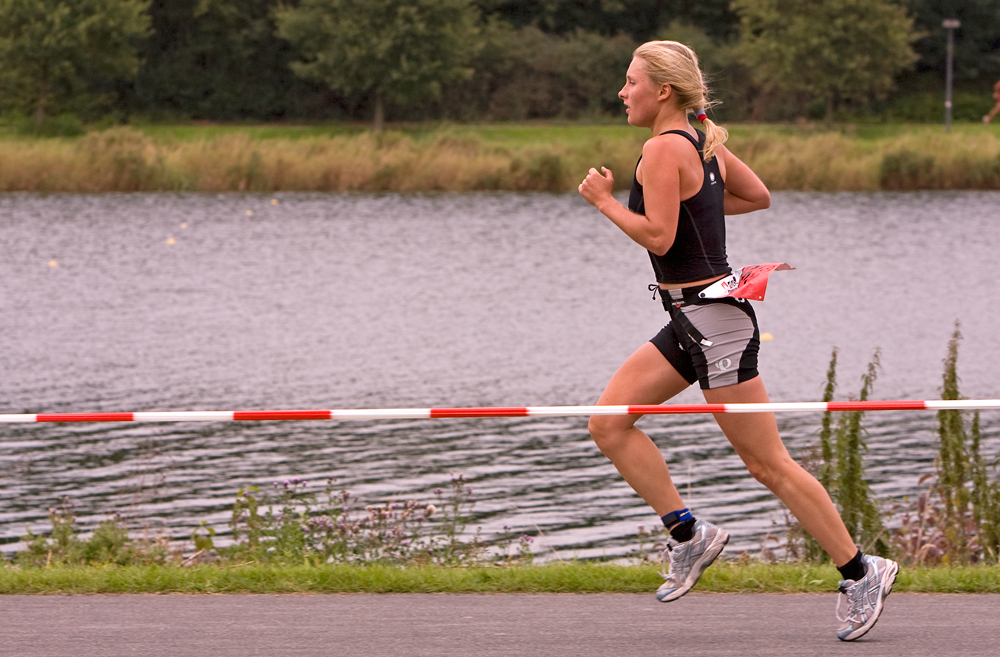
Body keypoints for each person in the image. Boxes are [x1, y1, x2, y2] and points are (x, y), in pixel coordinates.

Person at [577, 40, 898, 642]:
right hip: (692, 320)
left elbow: (659, 237)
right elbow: (756, 196)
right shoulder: (703, 144)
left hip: (716, 324)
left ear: (662, 91)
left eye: (630, 81)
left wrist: (602, 203)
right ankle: (688, 534)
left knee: (766, 463)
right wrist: (703, 208)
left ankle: (861, 571)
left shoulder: (661, 149)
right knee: (609, 422)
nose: (623, 93)